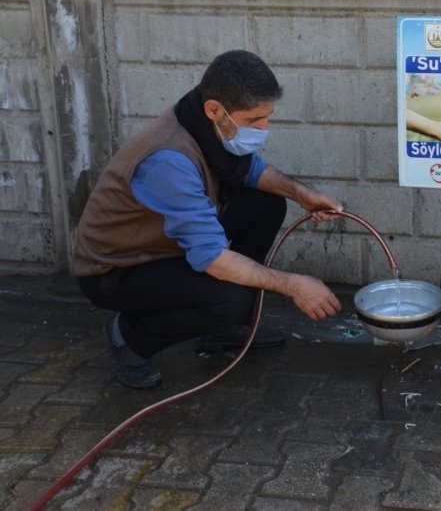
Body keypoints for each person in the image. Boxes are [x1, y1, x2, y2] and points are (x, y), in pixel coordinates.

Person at [73, 50, 344, 389]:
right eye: (253, 120)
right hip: (117, 269)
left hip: (164, 243)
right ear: (215, 109)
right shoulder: (169, 159)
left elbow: (251, 170)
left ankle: (223, 330)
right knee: (230, 298)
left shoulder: (202, 124)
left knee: (266, 204)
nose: (264, 129)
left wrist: (301, 194)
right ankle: (128, 337)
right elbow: (211, 257)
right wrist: (294, 285)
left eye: (267, 117)